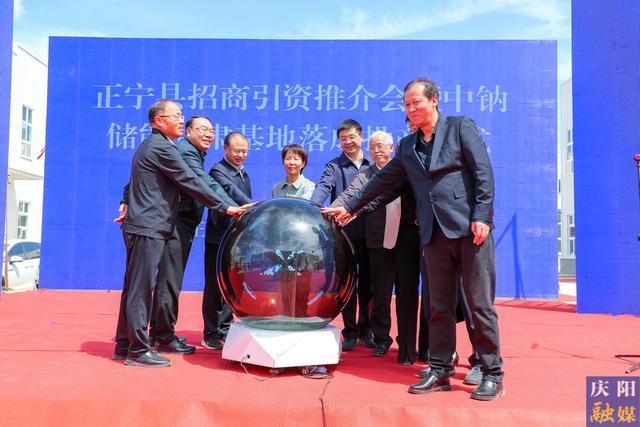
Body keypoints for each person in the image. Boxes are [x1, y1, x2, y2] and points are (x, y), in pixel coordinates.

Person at [323, 78, 504, 400]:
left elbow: (483, 172)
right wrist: (349, 207)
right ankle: (440, 369)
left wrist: (482, 216)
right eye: (406, 105)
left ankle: (492, 372)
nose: (411, 109)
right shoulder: (408, 146)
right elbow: (382, 182)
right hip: (433, 235)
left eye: (416, 102)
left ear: (434, 100)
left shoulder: (460, 127)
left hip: (469, 230)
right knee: (438, 307)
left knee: (479, 305)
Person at [113, 99, 248, 368]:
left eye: (181, 115)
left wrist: (127, 198)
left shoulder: (156, 146)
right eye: (175, 116)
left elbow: (138, 178)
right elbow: (192, 181)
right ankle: (137, 350)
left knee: (135, 288)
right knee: (140, 289)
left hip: (147, 225)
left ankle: (125, 345)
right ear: (158, 121)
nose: (180, 119)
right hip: (150, 225)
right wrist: (226, 207)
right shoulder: (163, 147)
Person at [332, 131, 420, 365]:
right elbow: (351, 195)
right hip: (378, 241)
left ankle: (407, 341)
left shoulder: (405, 170)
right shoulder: (366, 175)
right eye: (372, 147)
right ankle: (382, 338)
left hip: (407, 241)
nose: (377, 150)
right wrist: (335, 210)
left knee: (407, 294)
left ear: (392, 148)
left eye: (381, 145)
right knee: (380, 294)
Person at [310, 119, 374, 351]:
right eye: (343, 138)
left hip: (371, 233)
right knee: (347, 283)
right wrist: (312, 208)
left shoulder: (372, 165)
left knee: (369, 284)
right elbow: (323, 188)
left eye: (351, 137)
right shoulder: (333, 166)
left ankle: (366, 329)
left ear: (361, 137)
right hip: (344, 234)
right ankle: (350, 331)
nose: (347, 142)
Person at [202, 131, 253, 350]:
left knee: (231, 284)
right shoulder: (218, 170)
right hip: (219, 236)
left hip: (236, 238)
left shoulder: (244, 173)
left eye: (244, 151)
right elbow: (232, 193)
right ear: (225, 149)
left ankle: (225, 327)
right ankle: (211, 332)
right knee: (215, 285)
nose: (241, 155)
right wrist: (254, 206)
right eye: (237, 151)